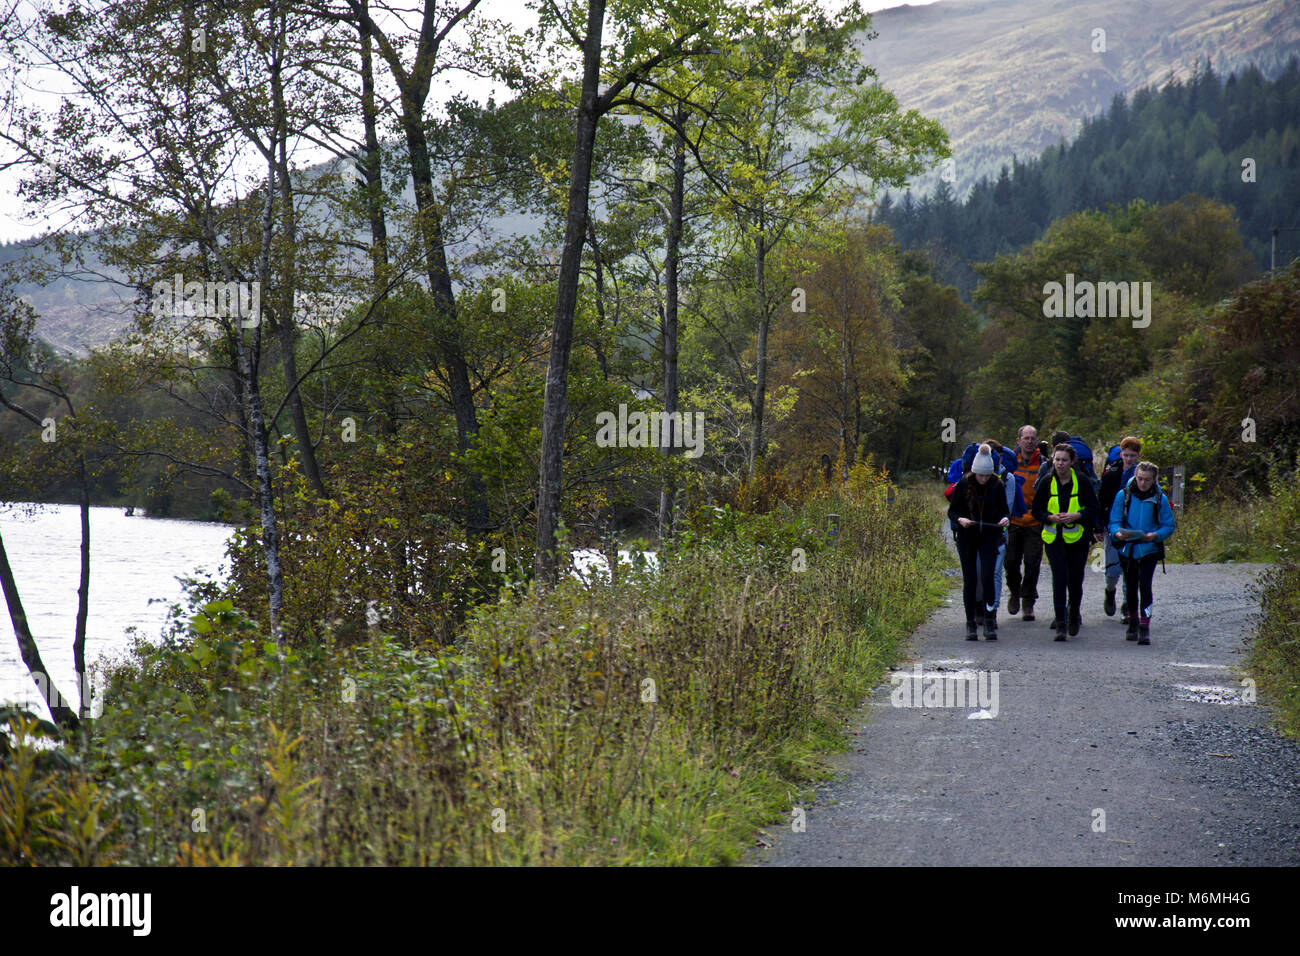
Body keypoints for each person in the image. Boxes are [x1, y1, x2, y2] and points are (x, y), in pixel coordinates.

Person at [1032, 443, 1101, 640]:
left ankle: (1073, 614)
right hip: (1054, 538)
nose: (1060, 464)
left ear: (1072, 462)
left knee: (1075, 579)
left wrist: (1076, 515)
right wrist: (1050, 517)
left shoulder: (1082, 481)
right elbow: (1036, 510)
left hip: (1078, 537)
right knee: (1059, 578)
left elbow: (1093, 508)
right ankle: (1060, 623)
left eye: (1064, 460)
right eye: (1057, 459)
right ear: (1052, 460)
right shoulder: (1046, 482)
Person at [1108, 461, 1175, 645]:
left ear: (1154, 480)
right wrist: (1117, 533)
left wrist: (1155, 535)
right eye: (1140, 479)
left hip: (1149, 548)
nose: (1143, 483)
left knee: (1145, 586)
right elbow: (1113, 521)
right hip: (1128, 548)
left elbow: (1169, 525)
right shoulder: (1124, 495)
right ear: (1135, 477)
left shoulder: (1159, 498)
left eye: (1147, 480)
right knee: (1130, 587)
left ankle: (1145, 626)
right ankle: (1132, 621)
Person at [948, 447, 1010, 640]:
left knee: (987, 576)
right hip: (967, 537)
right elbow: (952, 511)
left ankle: (989, 621)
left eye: (986, 475)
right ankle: (970, 624)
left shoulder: (997, 485)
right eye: (980, 475)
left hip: (990, 536)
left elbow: (1005, 511)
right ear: (974, 472)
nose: (983, 479)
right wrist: (960, 521)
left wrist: (1005, 519)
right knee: (970, 579)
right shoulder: (964, 485)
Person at [1097, 436, 1142, 618]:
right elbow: (1102, 500)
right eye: (1126, 455)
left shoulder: (1142, 474)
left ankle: (1127, 605)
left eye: (1132, 455)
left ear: (1138, 456)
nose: (1129, 459)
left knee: (1131, 567)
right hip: (1113, 526)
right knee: (1113, 565)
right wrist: (1099, 527)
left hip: (1135, 526)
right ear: (1121, 454)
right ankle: (1110, 590)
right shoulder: (1111, 472)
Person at [1005, 425, 1044, 621]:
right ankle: (1014, 591)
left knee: (1032, 563)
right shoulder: (1010, 462)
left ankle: (1028, 601)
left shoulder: (1044, 463)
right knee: (1010, 562)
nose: (1030, 441)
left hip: (1035, 521)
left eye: (1033, 438)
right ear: (1019, 441)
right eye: (1026, 438)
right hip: (1012, 520)